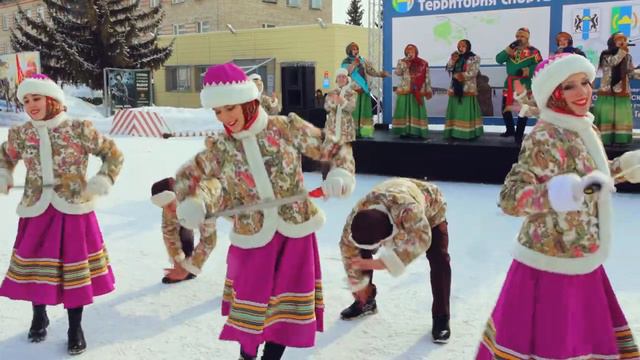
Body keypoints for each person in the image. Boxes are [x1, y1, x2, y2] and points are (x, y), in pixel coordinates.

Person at [174, 62, 356, 360]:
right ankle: (247, 356)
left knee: (284, 311)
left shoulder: (284, 127)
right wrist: (194, 202)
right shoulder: (221, 147)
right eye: (217, 112)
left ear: (248, 102)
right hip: (251, 237)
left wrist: (340, 175)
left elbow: (335, 149)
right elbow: (187, 177)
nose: (224, 118)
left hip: (295, 232)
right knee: (251, 307)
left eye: (229, 108)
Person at [477, 53, 640, 359]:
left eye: (585, 83)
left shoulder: (582, 127)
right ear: (554, 94)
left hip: (582, 252)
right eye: (569, 87)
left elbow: (591, 180)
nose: (583, 92)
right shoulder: (545, 134)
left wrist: (626, 167)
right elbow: (510, 197)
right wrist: (562, 193)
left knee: (582, 341)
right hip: (548, 262)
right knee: (556, 342)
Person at [0, 74, 124, 355]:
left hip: (73, 211)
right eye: (26, 100)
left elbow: (113, 154)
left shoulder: (78, 129)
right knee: (36, 267)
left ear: (53, 100)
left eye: (37, 98)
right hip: (36, 210)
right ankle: (39, 314)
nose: (31, 105)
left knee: (73, 271)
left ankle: (74, 326)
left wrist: (102, 179)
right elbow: (5, 156)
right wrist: (4, 173)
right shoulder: (21, 134)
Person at [338, 177, 452, 344]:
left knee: (439, 258)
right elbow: (347, 247)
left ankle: (441, 317)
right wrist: (357, 283)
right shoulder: (359, 213)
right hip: (390, 197)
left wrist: (382, 263)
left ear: (385, 238)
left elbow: (422, 239)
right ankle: (366, 302)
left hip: (430, 205)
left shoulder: (409, 211)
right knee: (361, 249)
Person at [150, 177, 217, 283]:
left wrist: (190, 267)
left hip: (238, 200)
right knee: (181, 224)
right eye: (163, 207)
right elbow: (169, 231)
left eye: (170, 204)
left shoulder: (200, 201)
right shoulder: (170, 205)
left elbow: (209, 239)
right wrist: (177, 259)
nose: (168, 210)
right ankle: (185, 263)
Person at [495, 27, 542, 143]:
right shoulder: (512, 49)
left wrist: (526, 70)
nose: (519, 38)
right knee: (505, 109)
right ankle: (510, 130)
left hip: (524, 84)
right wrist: (508, 48)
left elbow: (539, 66)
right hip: (509, 84)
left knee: (523, 110)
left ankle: (519, 134)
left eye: (521, 36)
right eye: (517, 36)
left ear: (527, 37)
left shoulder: (534, 51)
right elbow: (499, 59)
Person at [593, 32, 640, 145]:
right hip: (607, 91)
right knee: (606, 118)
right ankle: (605, 141)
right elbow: (614, 62)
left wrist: (637, 73)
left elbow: (630, 73)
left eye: (623, 39)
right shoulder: (606, 55)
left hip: (622, 91)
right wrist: (623, 51)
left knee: (621, 118)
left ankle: (621, 141)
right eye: (619, 39)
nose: (621, 41)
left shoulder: (627, 56)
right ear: (612, 42)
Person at [341, 42, 389, 138]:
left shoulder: (362, 60)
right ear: (349, 50)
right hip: (353, 90)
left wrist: (380, 74)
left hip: (364, 89)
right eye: (354, 49)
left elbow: (370, 71)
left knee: (365, 111)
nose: (356, 51)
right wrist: (354, 63)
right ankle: (352, 131)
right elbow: (346, 72)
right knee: (354, 111)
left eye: (357, 49)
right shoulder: (345, 62)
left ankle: (365, 132)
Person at [444, 39, 484, 140]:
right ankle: (454, 131)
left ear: (468, 46)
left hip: (467, 88)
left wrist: (460, 75)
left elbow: (473, 73)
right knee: (455, 111)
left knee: (464, 111)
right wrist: (452, 59)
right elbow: (449, 68)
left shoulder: (474, 58)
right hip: (455, 88)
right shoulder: (456, 57)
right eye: (459, 46)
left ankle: (467, 133)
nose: (460, 48)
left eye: (463, 46)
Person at [392, 44, 431, 138]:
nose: (410, 53)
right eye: (408, 52)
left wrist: (428, 90)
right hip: (405, 89)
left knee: (416, 110)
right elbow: (398, 73)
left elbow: (427, 77)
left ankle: (416, 131)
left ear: (416, 52)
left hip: (417, 90)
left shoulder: (423, 63)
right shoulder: (402, 62)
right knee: (403, 109)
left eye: (412, 51)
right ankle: (404, 131)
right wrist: (404, 63)